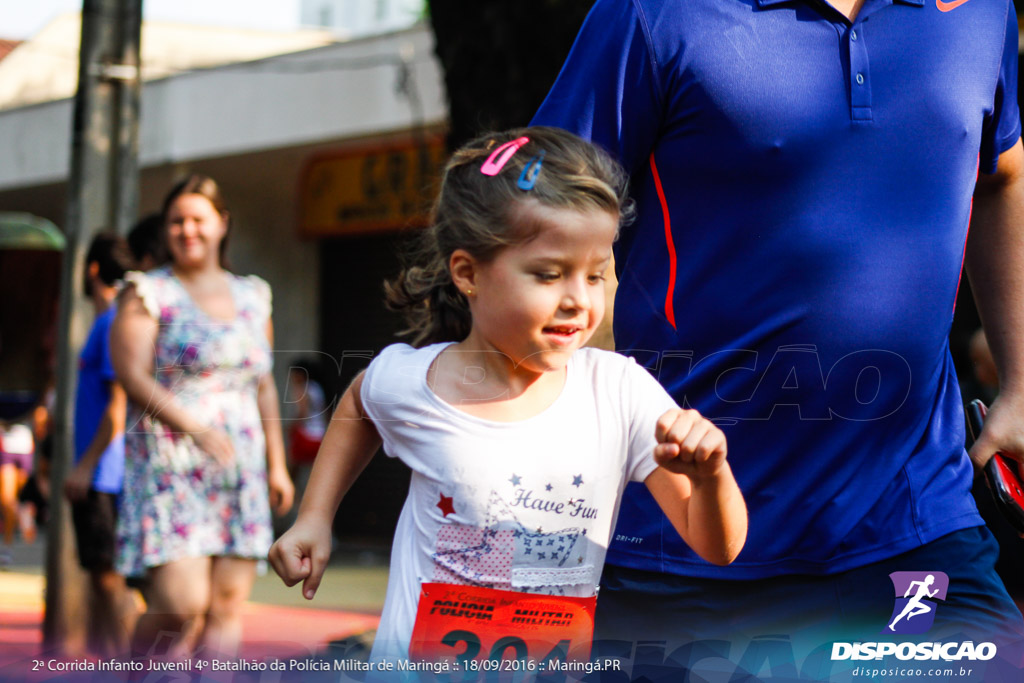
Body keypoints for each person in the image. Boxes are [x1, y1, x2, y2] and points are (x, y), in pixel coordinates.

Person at [532, 0, 1024, 663]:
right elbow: (539, 225)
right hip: (684, 548)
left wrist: (1020, 379)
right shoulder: (650, 13)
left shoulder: (980, 11)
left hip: (916, 523)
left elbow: (1004, 174)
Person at [268, 127, 747, 665]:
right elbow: (358, 407)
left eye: (596, 276)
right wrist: (315, 516)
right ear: (468, 273)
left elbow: (717, 547)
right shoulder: (414, 381)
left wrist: (711, 476)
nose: (577, 300)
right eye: (549, 275)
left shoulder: (620, 392)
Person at [110, 174, 294, 658]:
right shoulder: (148, 291)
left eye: (198, 220)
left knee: (226, 606)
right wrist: (197, 429)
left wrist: (277, 463)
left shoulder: (255, 294)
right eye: (176, 221)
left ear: (221, 225)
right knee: (179, 605)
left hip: (240, 467)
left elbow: (263, 382)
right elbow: (131, 375)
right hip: (172, 468)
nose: (187, 230)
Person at [63, 232, 138, 656]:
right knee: (100, 577)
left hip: (105, 473)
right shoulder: (106, 320)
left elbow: (116, 408)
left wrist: (84, 466)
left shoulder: (112, 322)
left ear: (91, 269)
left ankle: (137, 665)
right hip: (100, 470)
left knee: (110, 579)